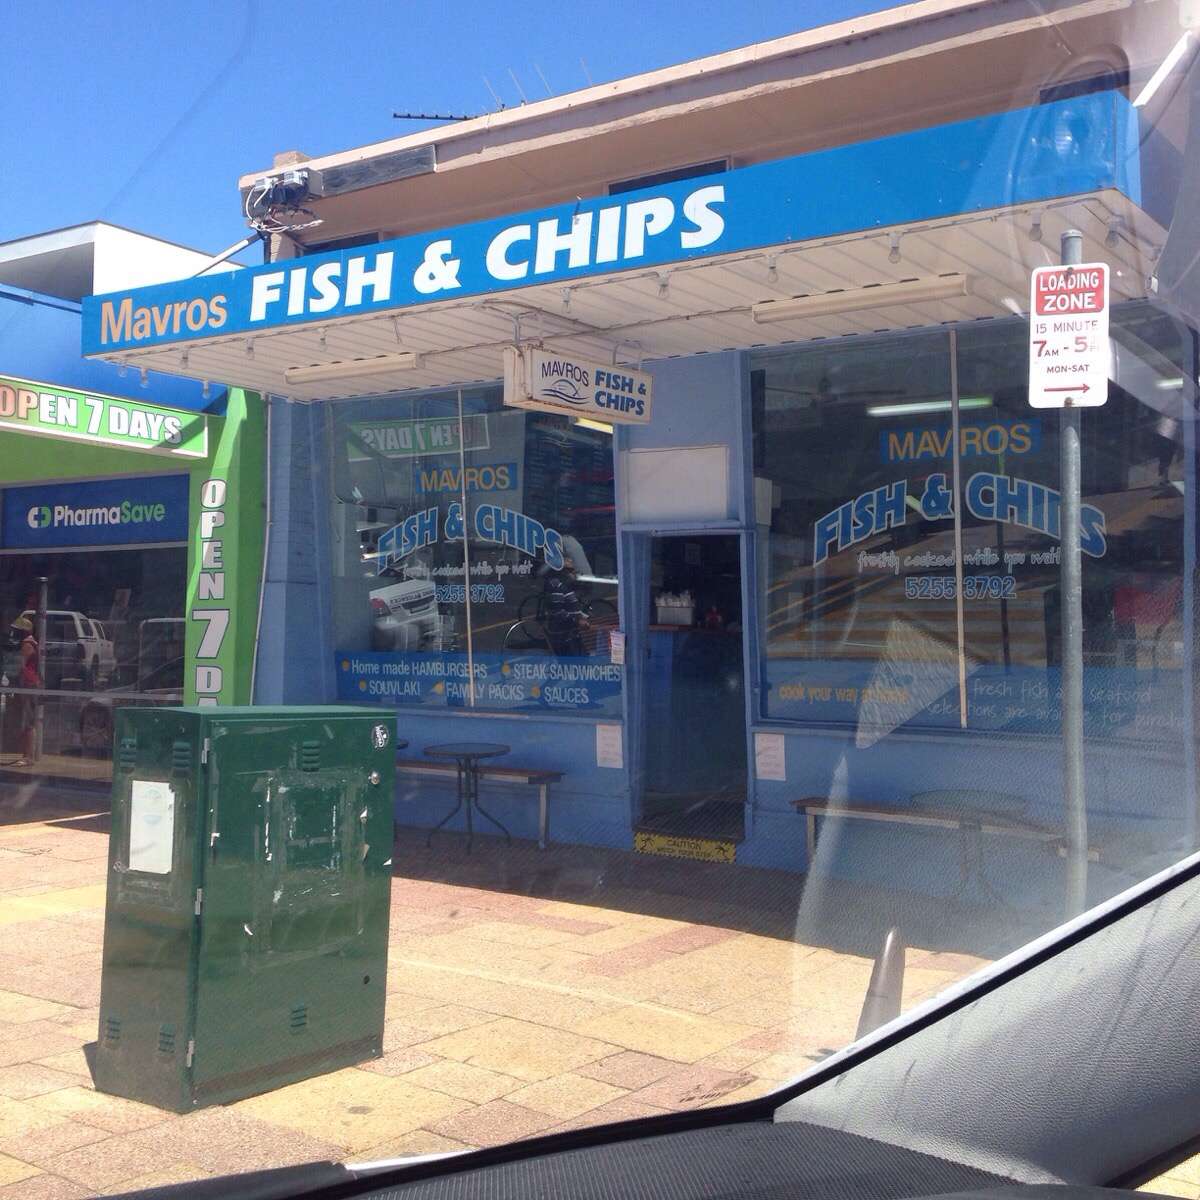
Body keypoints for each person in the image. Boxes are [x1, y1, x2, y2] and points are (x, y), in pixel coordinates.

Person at [8, 616, 40, 766]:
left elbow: (21, 665)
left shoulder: (27, 644)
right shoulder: (31, 643)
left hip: (28, 684)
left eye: (17, 630)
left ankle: (28, 756)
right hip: (29, 683)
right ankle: (26, 755)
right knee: (28, 720)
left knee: (28, 721)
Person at [542, 555, 588, 657]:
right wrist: (577, 620)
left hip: (571, 634)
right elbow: (557, 613)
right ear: (564, 572)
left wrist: (581, 615)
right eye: (572, 570)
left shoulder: (567, 586)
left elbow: (572, 607)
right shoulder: (558, 588)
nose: (575, 573)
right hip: (563, 637)